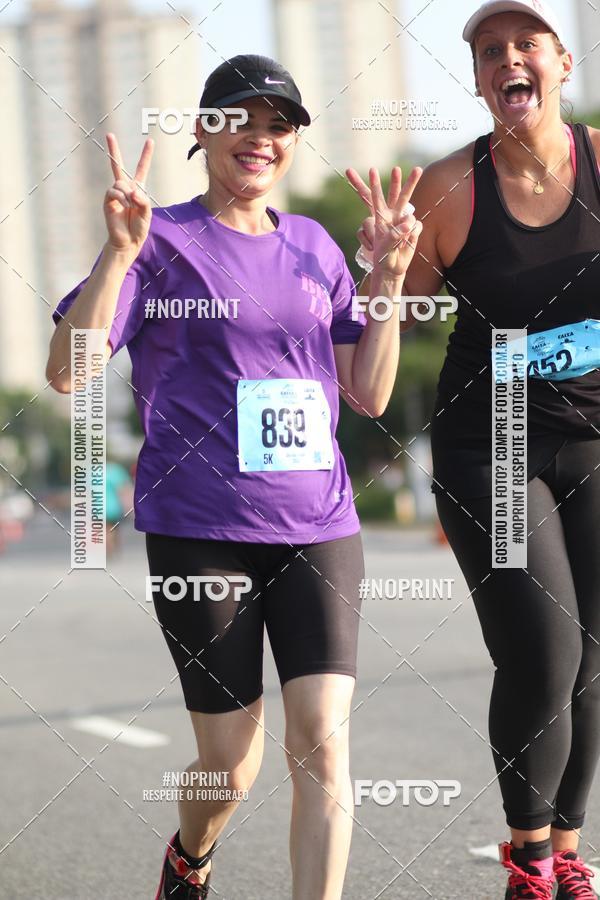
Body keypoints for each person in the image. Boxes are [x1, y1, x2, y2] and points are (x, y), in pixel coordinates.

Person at [46, 54, 422, 900]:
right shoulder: (159, 242)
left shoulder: (315, 246)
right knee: (230, 765)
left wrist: (389, 282)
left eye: (279, 124)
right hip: (200, 530)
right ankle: (190, 856)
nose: (261, 137)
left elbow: (368, 392)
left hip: (320, 525)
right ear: (203, 131)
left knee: (323, 741)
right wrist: (116, 256)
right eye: (240, 118)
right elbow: (69, 370)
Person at [355, 0, 600, 896]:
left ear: (560, 64)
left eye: (525, 44)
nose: (508, 60)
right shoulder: (450, 188)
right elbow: (384, 341)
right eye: (490, 51)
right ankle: (528, 860)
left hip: (594, 437)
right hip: (491, 442)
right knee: (544, 653)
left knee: (595, 654)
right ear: (480, 78)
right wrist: (385, 271)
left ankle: (568, 853)